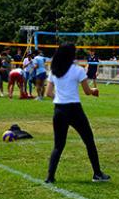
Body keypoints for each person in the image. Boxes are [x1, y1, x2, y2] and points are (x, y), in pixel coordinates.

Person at [45, 42, 110, 184]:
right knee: (89, 141)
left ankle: (50, 177)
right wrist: (94, 91)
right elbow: (87, 91)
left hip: (59, 110)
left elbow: (48, 93)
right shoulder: (78, 70)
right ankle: (97, 174)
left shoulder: (54, 70)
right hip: (74, 110)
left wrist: (60, 97)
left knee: (58, 145)